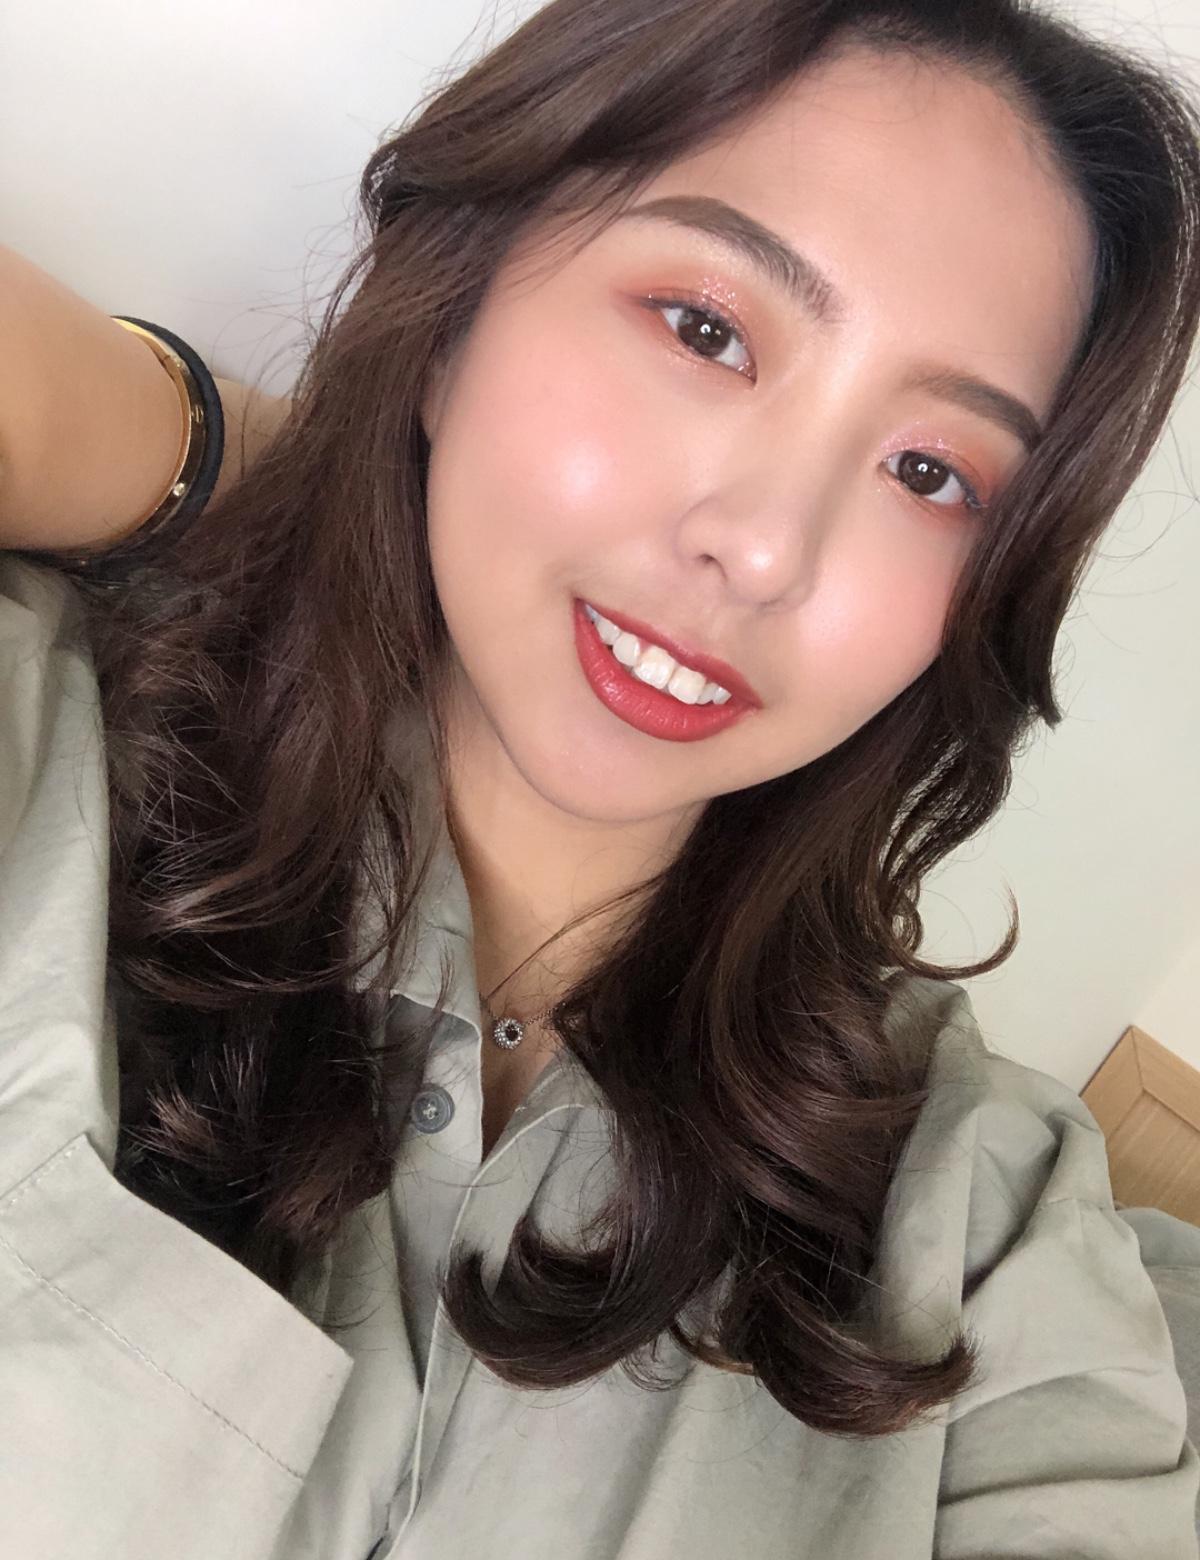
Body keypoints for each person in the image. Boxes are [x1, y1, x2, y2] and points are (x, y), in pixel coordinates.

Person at [2, 0, 1199, 1555]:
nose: (763, 550)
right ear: (452, 314)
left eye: (932, 474)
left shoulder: (991, 1234)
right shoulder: (47, 765)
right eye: (705, 329)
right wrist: (245, 461)